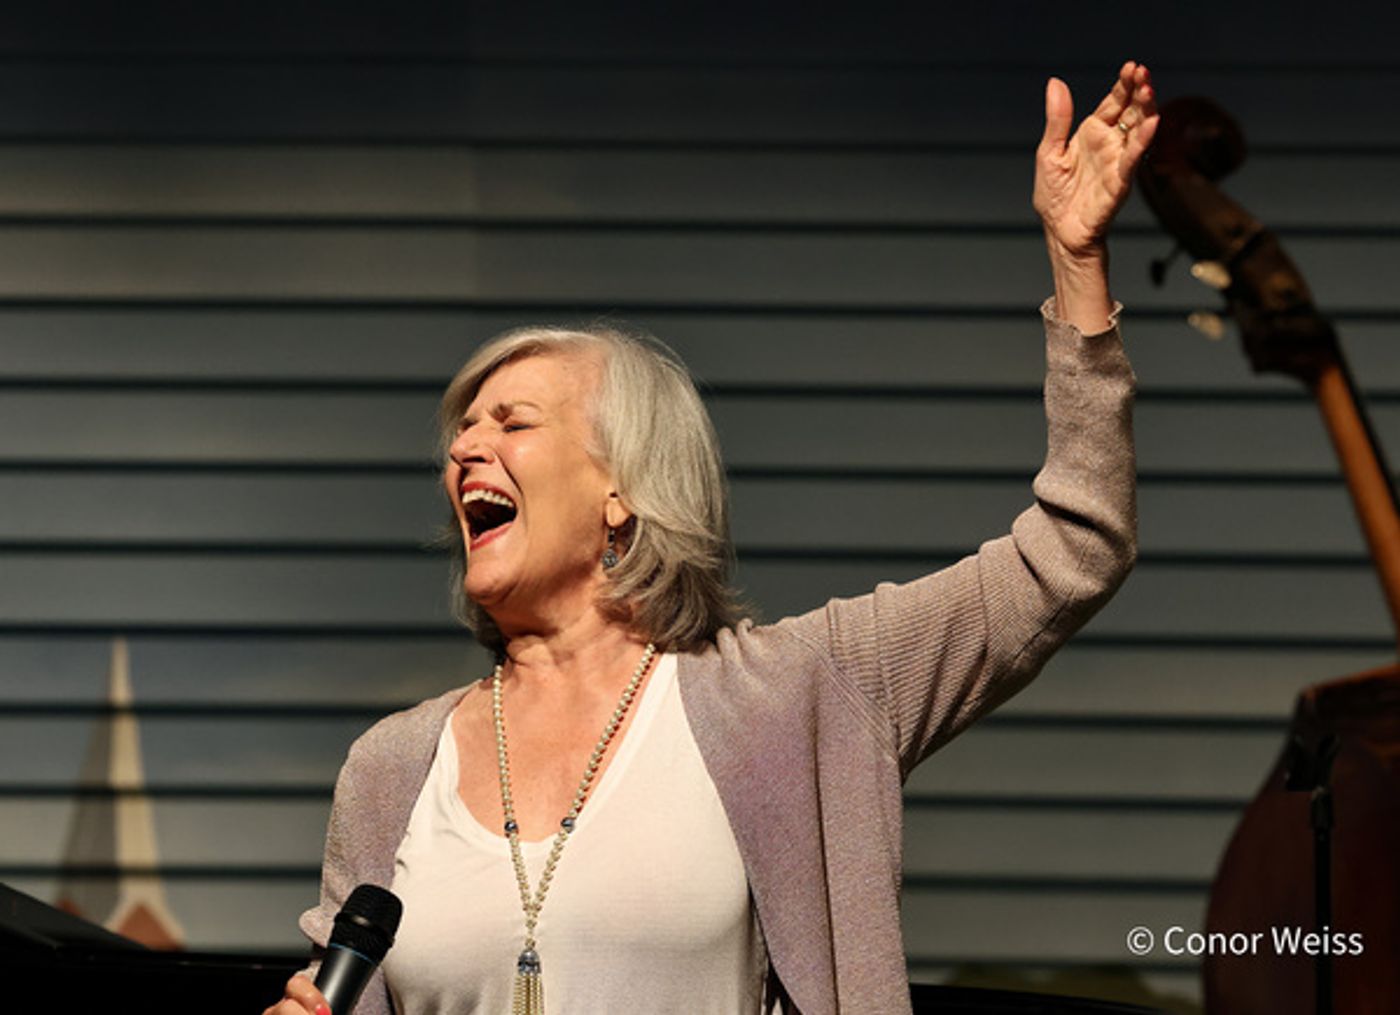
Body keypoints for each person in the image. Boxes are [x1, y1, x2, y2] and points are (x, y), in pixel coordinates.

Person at [265, 61, 1158, 1015]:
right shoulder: (393, 766)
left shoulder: (792, 694)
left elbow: (1074, 547)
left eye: (511, 423)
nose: (464, 449)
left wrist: (1076, 267)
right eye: (461, 431)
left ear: (621, 493)